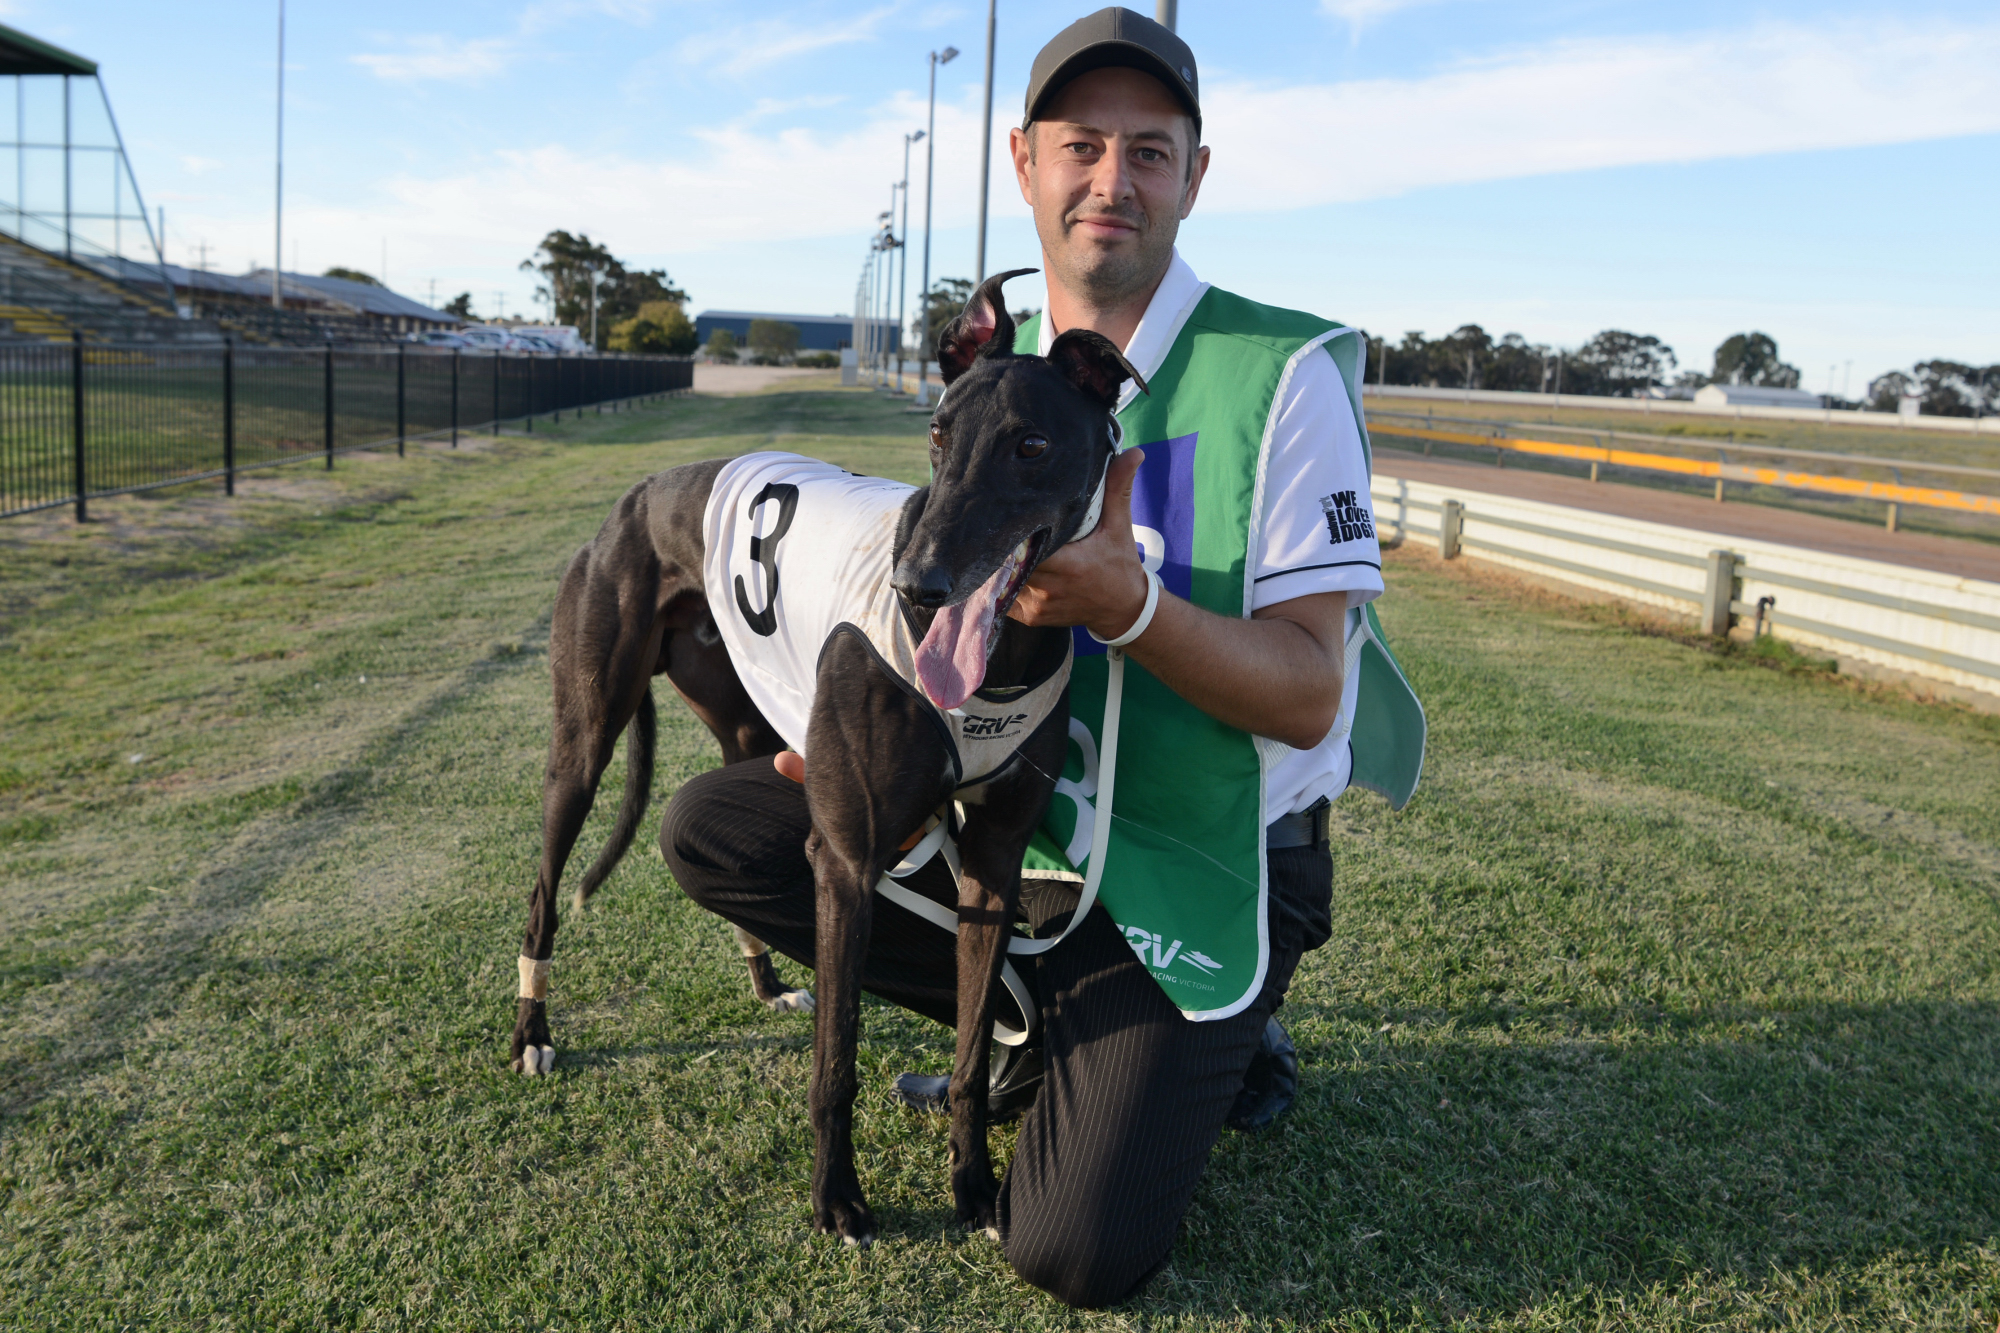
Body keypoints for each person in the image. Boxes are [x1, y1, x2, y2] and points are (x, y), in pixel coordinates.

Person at [663, 7, 1423, 1308]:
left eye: (1149, 149)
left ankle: (1214, 1034)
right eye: (1082, 145)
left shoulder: (1280, 373)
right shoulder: (1003, 395)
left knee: (1069, 1244)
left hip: (1207, 865)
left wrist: (1131, 609)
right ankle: (1029, 1018)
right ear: (1026, 164)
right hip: (1023, 835)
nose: (1111, 180)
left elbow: (1310, 698)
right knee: (723, 829)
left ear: (1194, 172)